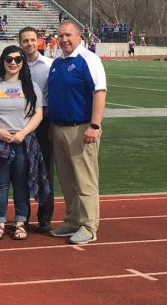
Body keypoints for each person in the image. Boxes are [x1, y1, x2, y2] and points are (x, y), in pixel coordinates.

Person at [48, 20, 107, 245]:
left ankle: (89, 226)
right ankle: (73, 220)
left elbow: (99, 93)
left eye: (68, 35)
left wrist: (94, 125)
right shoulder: (57, 63)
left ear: (79, 35)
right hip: (60, 128)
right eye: (60, 35)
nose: (64, 39)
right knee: (67, 180)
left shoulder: (89, 60)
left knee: (85, 180)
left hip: (81, 128)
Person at [0, 45, 45, 240]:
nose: (13, 63)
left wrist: (22, 133)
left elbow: (38, 114)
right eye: (9, 59)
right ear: (3, 61)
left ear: (23, 62)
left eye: (17, 59)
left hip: (23, 140)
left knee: (21, 183)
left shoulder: (32, 87)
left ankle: (20, 222)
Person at [18, 27, 55, 232]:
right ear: (20, 42)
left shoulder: (50, 65)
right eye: (25, 40)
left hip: (44, 122)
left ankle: (45, 216)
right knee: (21, 171)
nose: (29, 44)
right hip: (19, 123)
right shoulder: (14, 65)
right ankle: (22, 216)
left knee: (45, 171)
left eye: (32, 40)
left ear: (38, 41)